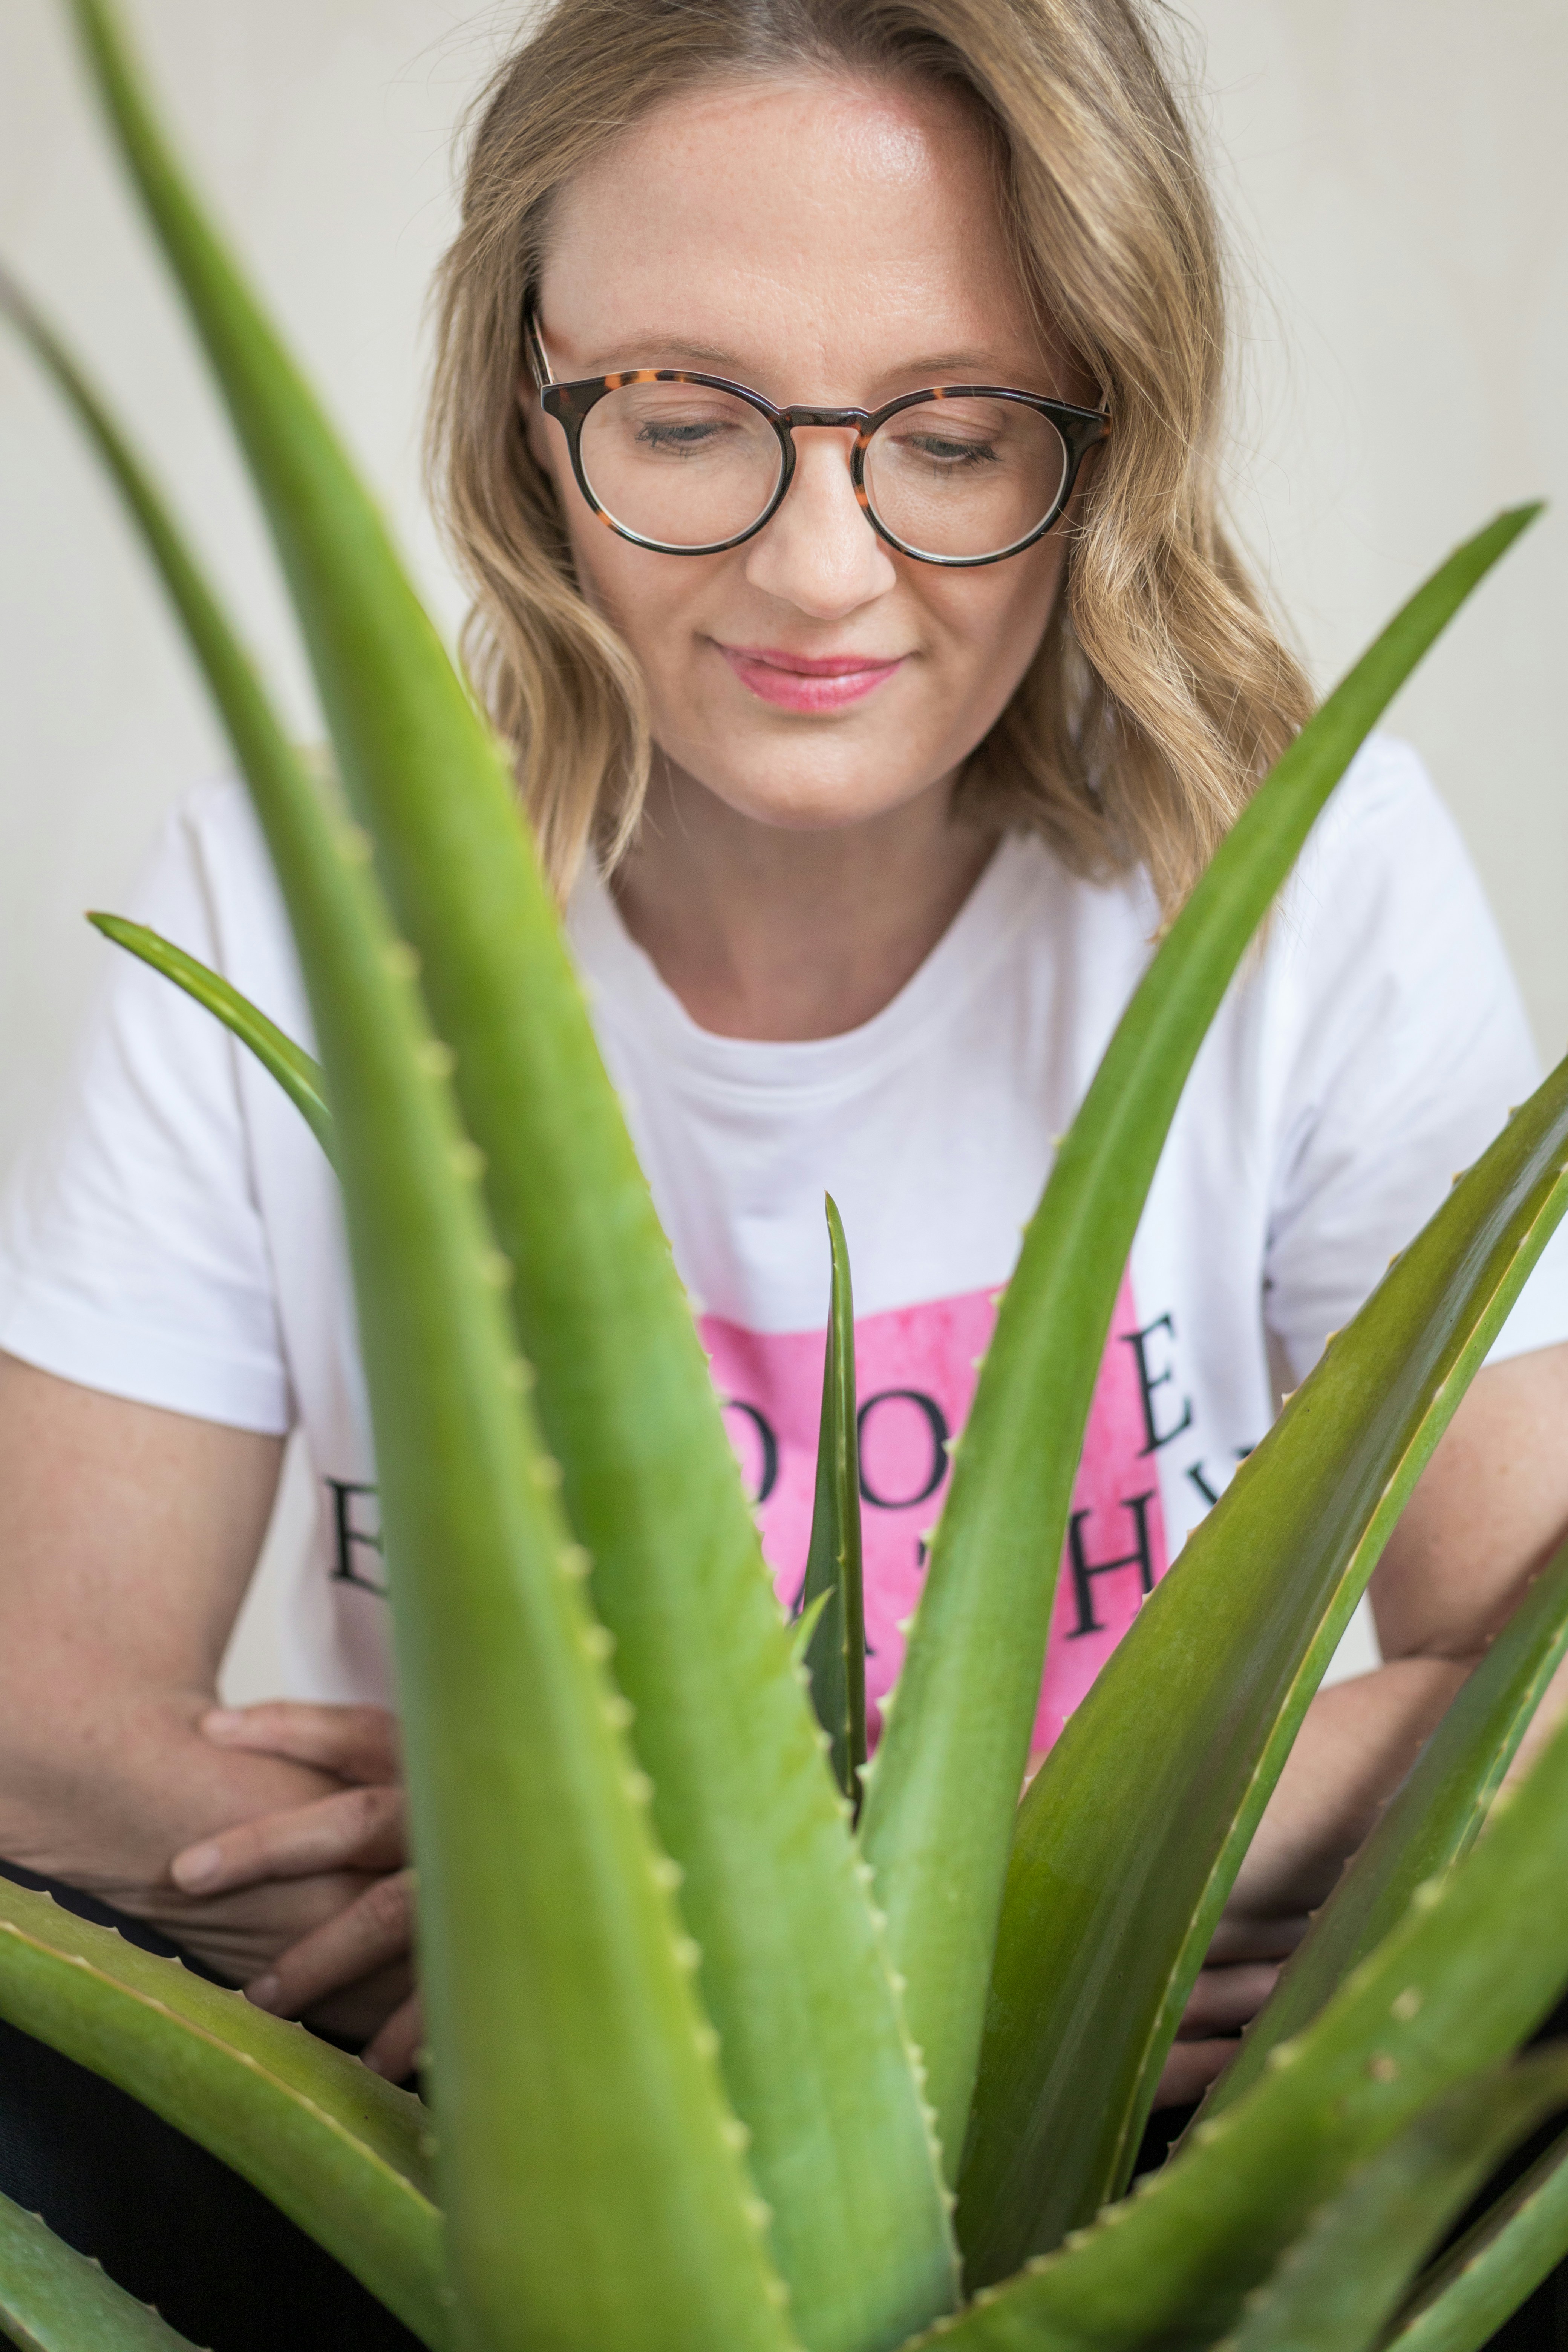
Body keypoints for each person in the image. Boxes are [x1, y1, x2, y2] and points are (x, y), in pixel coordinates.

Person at [2, 0, 1566, 2343]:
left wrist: (695, 1885)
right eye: (685, 417)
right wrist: (613, 1927)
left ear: (1103, 429)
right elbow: (37, 1707)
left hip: (1141, 2117)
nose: (821, 570)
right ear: (532, 412)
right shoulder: (291, 895)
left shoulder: (1298, 874)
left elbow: (1540, 1672)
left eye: (952, 439)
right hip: (492, 2101)